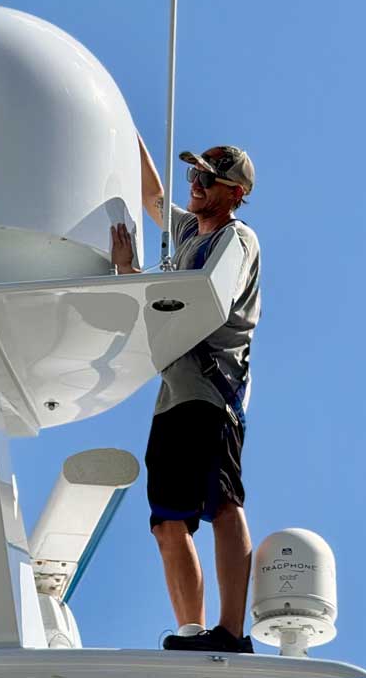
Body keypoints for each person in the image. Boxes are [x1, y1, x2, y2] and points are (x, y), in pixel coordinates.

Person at [111, 135, 261, 654]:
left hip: (210, 394)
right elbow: (152, 193)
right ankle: (195, 633)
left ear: (234, 193)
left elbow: (206, 300)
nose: (193, 186)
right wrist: (124, 127)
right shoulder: (188, 232)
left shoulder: (237, 241)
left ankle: (232, 633)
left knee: (220, 503)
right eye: (193, 177)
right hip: (174, 395)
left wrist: (133, 277)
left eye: (207, 181)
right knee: (167, 521)